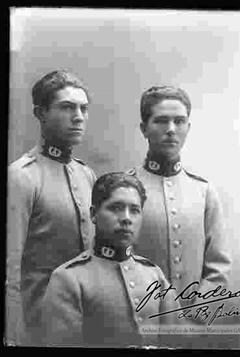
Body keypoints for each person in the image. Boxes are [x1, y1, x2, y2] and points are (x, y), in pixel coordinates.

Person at [6, 70, 96, 345]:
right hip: (38, 325)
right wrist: (14, 336)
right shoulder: (22, 176)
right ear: (41, 113)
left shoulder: (86, 175)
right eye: (67, 107)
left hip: (85, 323)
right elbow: (10, 272)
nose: (78, 116)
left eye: (83, 108)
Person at [41, 172, 181, 348]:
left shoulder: (154, 275)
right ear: (93, 214)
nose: (126, 218)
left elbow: (177, 341)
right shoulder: (68, 279)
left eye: (135, 210)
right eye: (116, 208)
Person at [127, 85, 231, 316]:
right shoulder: (124, 188)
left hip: (192, 327)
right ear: (144, 129)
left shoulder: (203, 191)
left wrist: (195, 317)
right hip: (140, 321)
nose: (171, 129)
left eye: (179, 121)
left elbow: (218, 266)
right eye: (161, 121)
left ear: (188, 127)